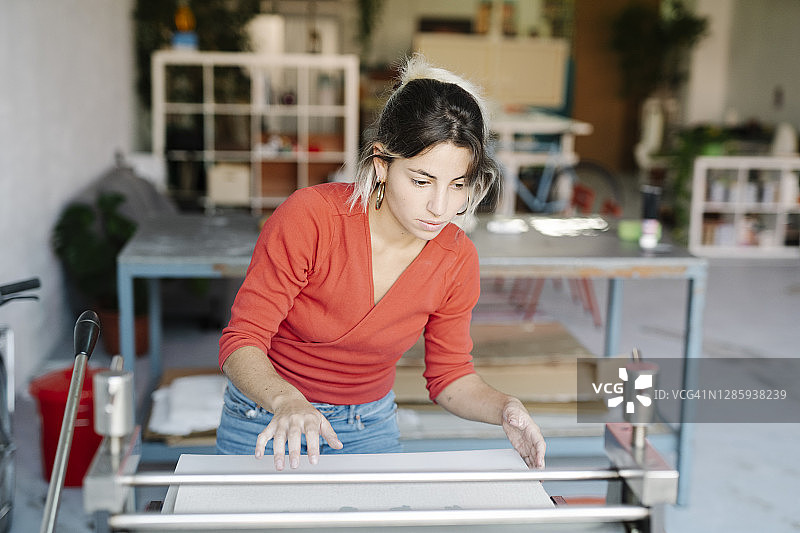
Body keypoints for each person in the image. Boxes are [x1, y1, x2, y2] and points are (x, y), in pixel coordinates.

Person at [216, 55, 546, 471]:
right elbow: (241, 340)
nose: (440, 207)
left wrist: (504, 407)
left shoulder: (456, 259)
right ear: (382, 164)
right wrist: (286, 401)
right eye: (421, 181)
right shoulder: (311, 218)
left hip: (366, 423)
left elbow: (449, 376)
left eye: (457, 185)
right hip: (266, 415)